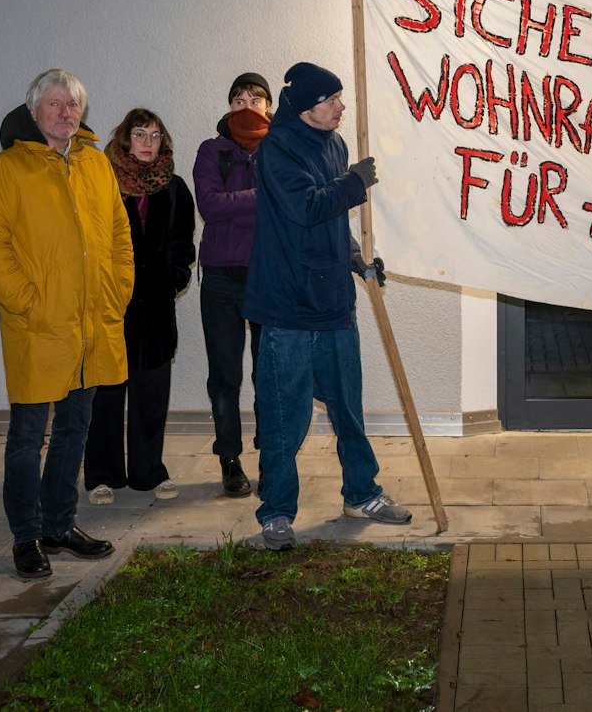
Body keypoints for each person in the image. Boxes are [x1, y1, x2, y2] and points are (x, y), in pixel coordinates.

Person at [0, 69, 133, 579]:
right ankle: (26, 536)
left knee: (75, 430)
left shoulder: (97, 164)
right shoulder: (6, 168)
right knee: (27, 437)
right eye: (56, 104)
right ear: (34, 110)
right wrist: (26, 302)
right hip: (38, 327)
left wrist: (117, 291)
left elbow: (119, 234)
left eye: (74, 105)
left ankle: (60, 525)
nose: (66, 113)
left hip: (89, 326)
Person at [246, 61, 411, 550]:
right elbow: (308, 207)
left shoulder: (334, 144)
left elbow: (333, 222)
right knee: (284, 416)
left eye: (341, 96)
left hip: (333, 300)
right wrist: (355, 183)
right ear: (305, 107)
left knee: (348, 407)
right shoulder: (275, 149)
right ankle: (276, 514)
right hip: (288, 305)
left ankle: (362, 493)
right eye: (332, 99)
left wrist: (358, 260)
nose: (342, 106)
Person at [84, 109, 196, 506]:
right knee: (107, 396)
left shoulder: (176, 187)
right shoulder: (104, 183)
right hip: (113, 305)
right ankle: (102, 474)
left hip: (156, 308)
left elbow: (184, 244)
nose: (148, 143)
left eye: (154, 135)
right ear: (125, 139)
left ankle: (149, 472)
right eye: (139, 134)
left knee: (151, 394)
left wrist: (173, 279)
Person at [191, 72, 272, 498]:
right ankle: (230, 460)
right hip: (221, 276)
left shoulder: (282, 149)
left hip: (268, 275)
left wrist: (241, 202)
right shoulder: (212, 150)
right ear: (228, 106)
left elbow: (293, 205)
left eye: (254, 98)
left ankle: (271, 458)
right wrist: (263, 196)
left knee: (270, 374)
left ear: (268, 107)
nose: (246, 105)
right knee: (225, 375)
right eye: (237, 98)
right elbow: (210, 205)